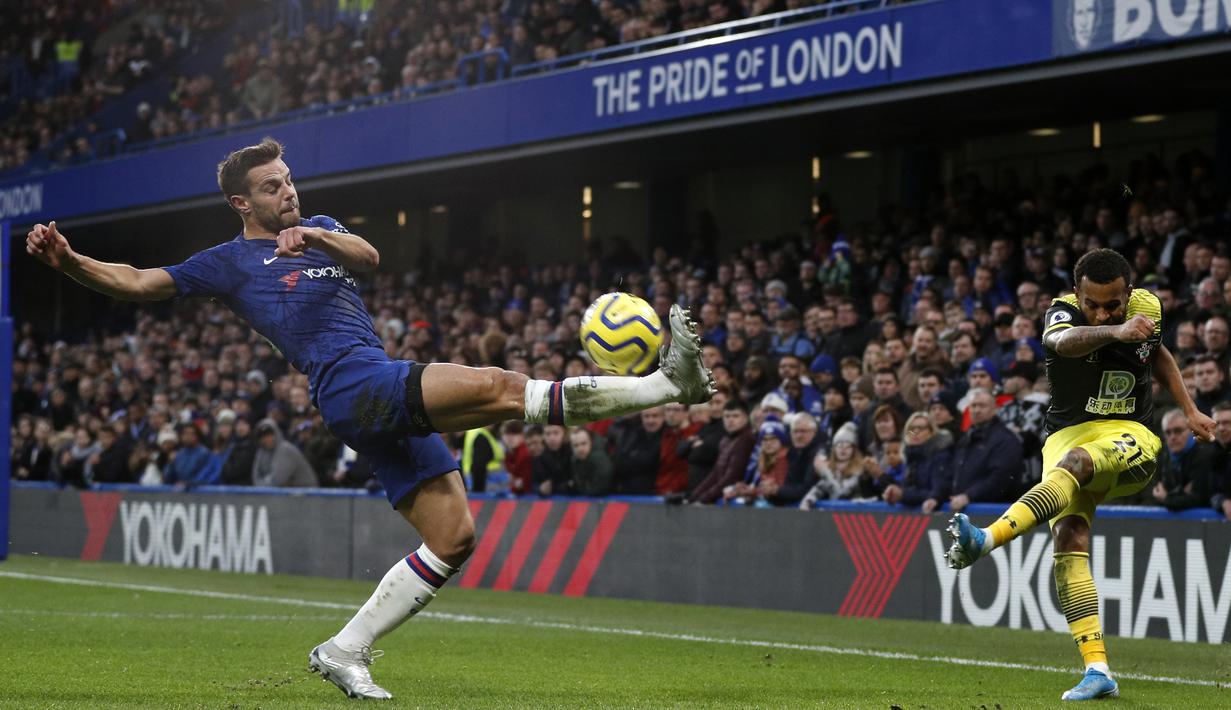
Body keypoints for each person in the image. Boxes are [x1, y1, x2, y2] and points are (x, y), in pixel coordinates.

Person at [24, 137, 715, 700]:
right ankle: (664, 386)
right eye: (271, 187)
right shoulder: (228, 262)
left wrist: (313, 239)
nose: (287, 192)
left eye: (288, 180)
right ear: (242, 201)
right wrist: (71, 260)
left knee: (454, 536)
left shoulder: (319, 228)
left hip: (369, 383)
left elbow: (370, 256)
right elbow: (141, 282)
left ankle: (344, 650)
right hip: (351, 384)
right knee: (505, 387)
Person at [945, 249, 1216, 701]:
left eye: (1113, 303)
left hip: (1131, 436)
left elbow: (1158, 352)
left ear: (1130, 292)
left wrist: (1189, 409)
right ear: (1077, 293)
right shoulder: (1062, 312)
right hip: (1066, 435)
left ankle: (986, 540)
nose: (1102, 310)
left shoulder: (1149, 307)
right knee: (1069, 539)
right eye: (1092, 302)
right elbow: (1064, 343)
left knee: (1078, 465)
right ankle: (1098, 670)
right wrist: (1116, 328)